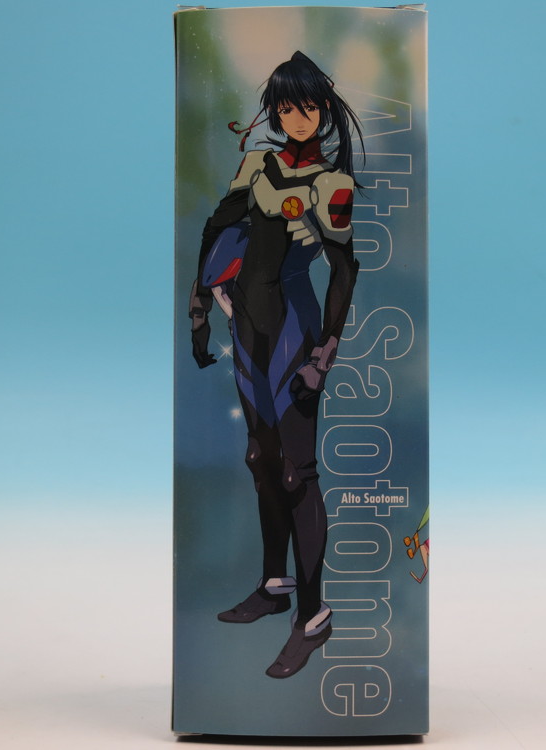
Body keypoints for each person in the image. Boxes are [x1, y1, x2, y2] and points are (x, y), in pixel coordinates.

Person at [188, 51, 363, 679]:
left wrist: (325, 354)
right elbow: (217, 227)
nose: (297, 117)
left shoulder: (330, 185)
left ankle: (313, 618)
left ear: (324, 109)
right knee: (261, 459)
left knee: (296, 472)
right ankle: (274, 586)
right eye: (286, 107)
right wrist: (200, 307)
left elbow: (345, 270)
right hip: (248, 329)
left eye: (308, 106)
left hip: (295, 330)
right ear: (275, 111)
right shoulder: (257, 164)